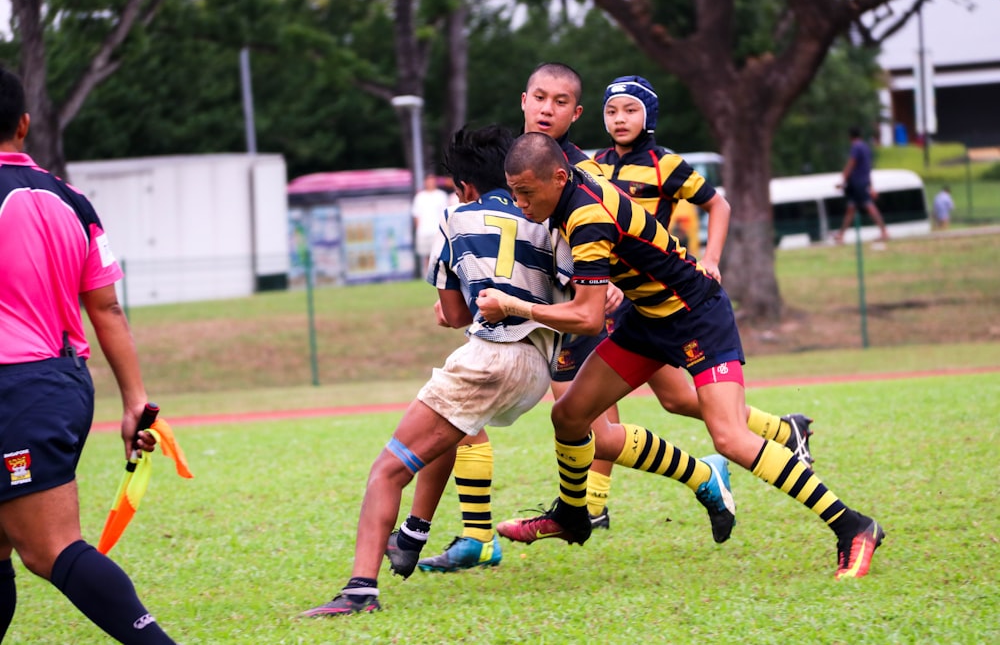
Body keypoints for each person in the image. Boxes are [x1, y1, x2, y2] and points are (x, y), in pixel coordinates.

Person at [399, 64, 812, 575]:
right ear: (524, 101)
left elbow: (601, 237)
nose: (547, 109)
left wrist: (603, 283)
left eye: (561, 101)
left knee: (604, 423)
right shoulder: (515, 164)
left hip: (595, 310)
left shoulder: (581, 171)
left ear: (575, 113)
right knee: (613, 412)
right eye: (540, 99)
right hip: (567, 314)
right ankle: (496, 531)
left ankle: (684, 478)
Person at [480, 132, 885, 580]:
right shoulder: (579, 177)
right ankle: (573, 517)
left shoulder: (586, 217)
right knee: (569, 416)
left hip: (697, 314)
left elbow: (588, 318)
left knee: (729, 437)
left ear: (559, 178)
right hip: (649, 318)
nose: (519, 203)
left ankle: (853, 527)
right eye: (513, 192)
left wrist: (512, 305)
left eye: (526, 193)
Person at [299, 125, 572, 617]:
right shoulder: (547, 214)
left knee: (386, 471)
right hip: (536, 367)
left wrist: (452, 310)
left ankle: (360, 590)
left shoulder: (456, 217)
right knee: (457, 431)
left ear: (464, 186)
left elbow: (455, 315)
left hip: (492, 355)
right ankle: (412, 534)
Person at [0, 67, 177, 643]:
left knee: (48, 548)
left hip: (16, 389)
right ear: (24, 124)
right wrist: (136, 401)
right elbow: (106, 309)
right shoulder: (71, 200)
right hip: (62, 383)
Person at [835, 126, 890, 243]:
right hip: (863, 182)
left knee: (869, 206)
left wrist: (842, 180)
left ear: (850, 137)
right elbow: (868, 168)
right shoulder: (865, 148)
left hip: (857, 183)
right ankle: (841, 235)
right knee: (851, 209)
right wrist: (871, 186)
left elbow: (851, 164)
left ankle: (884, 231)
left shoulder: (856, 147)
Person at [411, 171, 451, 273]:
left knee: (438, 254)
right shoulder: (420, 197)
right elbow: (416, 215)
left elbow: (445, 213)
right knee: (426, 255)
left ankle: (439, 274)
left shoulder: (441, 195)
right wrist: (418, 229)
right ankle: (428, 274)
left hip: (437, 230)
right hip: (424, 230)